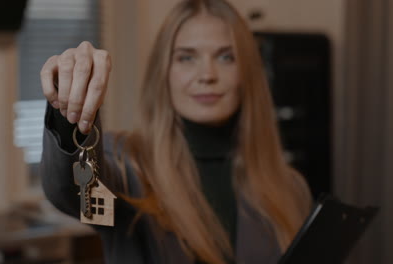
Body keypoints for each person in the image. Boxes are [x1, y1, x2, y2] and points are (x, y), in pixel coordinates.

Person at [39, 0, 312, 263]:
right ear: (164, 72)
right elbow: (73, 191)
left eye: (226, 57)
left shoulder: (290, 188)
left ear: (247, 73)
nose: (207, 74)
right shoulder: (124, 169)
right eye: (186, 57)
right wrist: (71, 116)